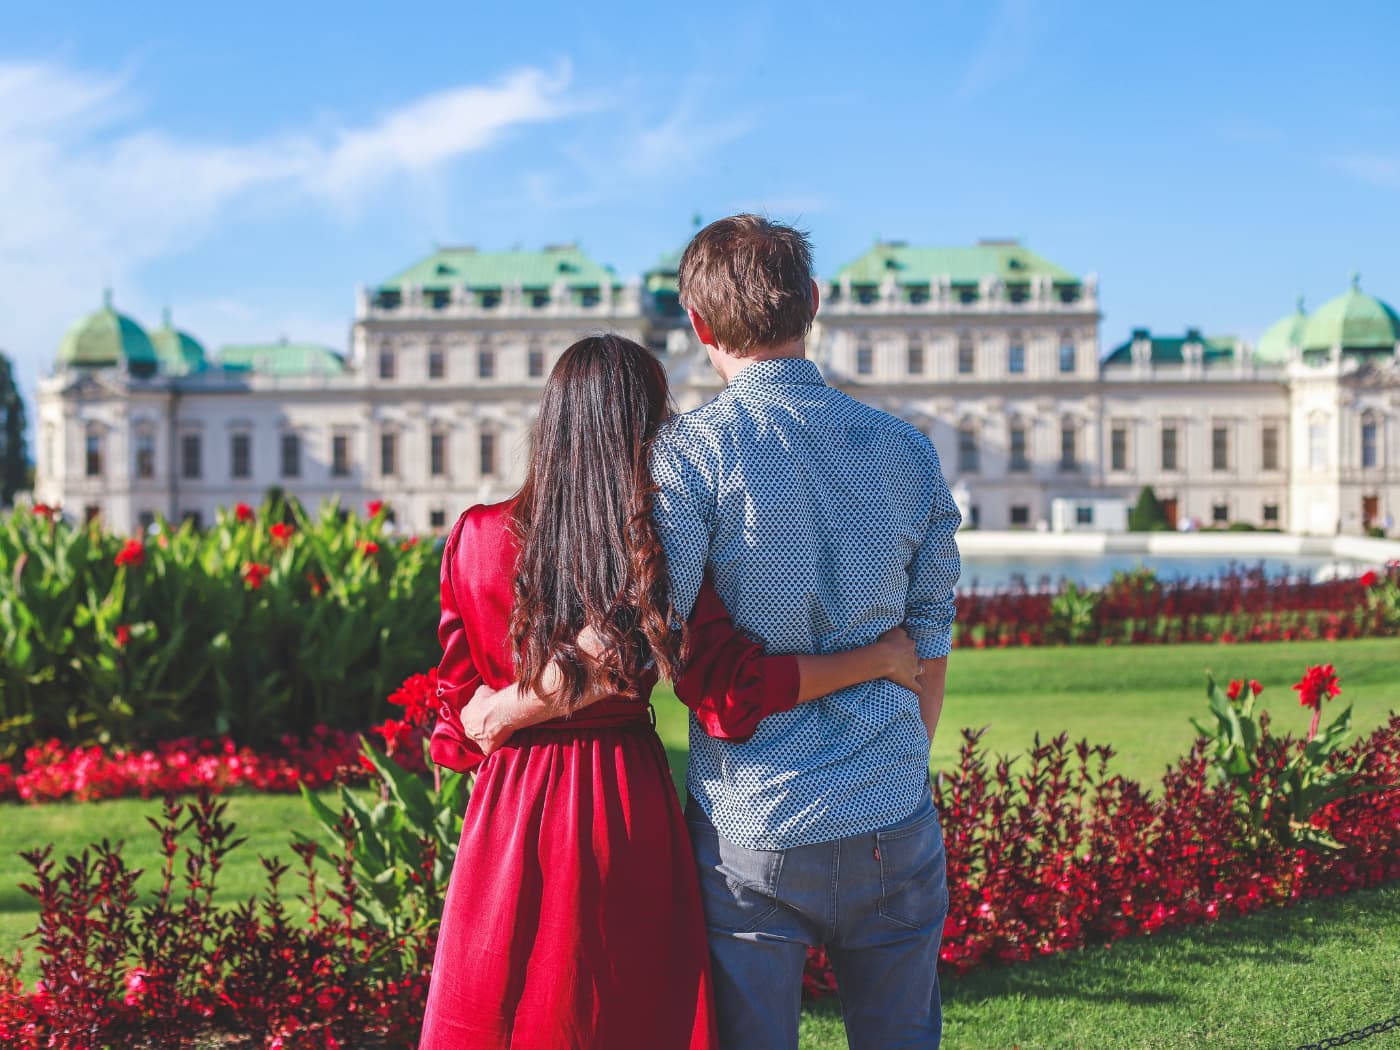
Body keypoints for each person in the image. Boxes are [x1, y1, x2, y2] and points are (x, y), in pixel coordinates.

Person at [418, 334, 925, 1050]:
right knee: (626, 1008)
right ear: (650, 427)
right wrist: (878, 658)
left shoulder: (473, 537)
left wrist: (497, 719)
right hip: (622, 800)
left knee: (505, 1002)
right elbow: (733, 687)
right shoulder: (655, 543)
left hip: (511, 802)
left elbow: (455, 724)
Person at [651, 215, 962, 1049]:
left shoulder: (689, 455)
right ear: (814, 304)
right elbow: (931, 635)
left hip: (755, 817)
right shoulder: (908, 452)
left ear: (700, 326)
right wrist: (902, 757)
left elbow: (658, 631)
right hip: (891, 805)